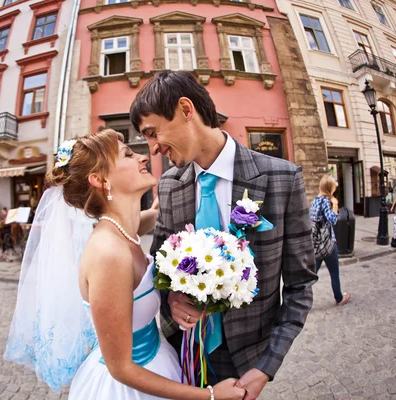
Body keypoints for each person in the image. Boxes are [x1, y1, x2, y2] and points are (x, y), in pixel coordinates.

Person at [5, 130, 245, 400]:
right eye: (128, 155)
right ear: (99, 179)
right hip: (128, 387)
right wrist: (210, 395)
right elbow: (120, 368)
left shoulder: (124, 229)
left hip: (160, 359)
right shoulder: (109, 254)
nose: (143, 157)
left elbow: (149, 218)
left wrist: (165, 202)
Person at [130, 71, 318, 397]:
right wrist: (171, 298)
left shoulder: (282, 179)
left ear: (186, 109)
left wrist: (267, 366)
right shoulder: (170, 186)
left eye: (152, 132)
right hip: (181, 351)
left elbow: (300, 286)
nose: (153, 148)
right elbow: (160, 266)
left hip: (246, 357)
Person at [310, 175, 351, 306]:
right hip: (328, 244)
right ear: (329, 188)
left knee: (311, 276)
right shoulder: (326, 202)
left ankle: (300, 300)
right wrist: (335, 205)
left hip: (316, 245)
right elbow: (333, 219)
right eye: (333, 187)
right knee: (334, 273)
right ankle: (339, 298)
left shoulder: (315, 201)